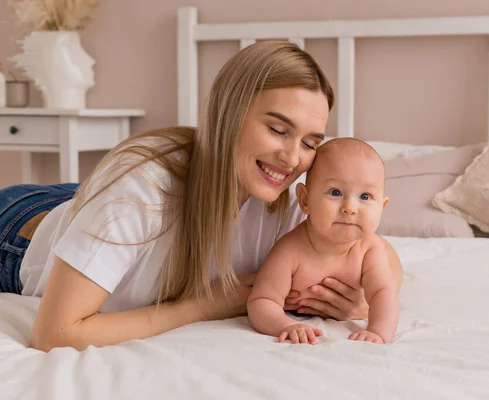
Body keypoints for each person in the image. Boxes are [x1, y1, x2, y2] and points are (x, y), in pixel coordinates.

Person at [0, 40, 403, 352]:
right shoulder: (142, 188)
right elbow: (54, 334)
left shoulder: (293, 188)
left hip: (87, 207)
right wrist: (205, 304)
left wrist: (359, 300)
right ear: (229, 113)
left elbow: (381, 254)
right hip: (21, 230)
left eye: (311, 141)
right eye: (278, 130)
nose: (294, 157)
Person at [247, 138, 398, 345]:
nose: (350, 207)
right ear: (305, 200)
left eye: (365, 196)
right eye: (335, 192)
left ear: (382, 206)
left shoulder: (369, 250)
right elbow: (261, 302)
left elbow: (383, 293)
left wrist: (378, 332)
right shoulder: (290, 251)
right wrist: (285, 325)